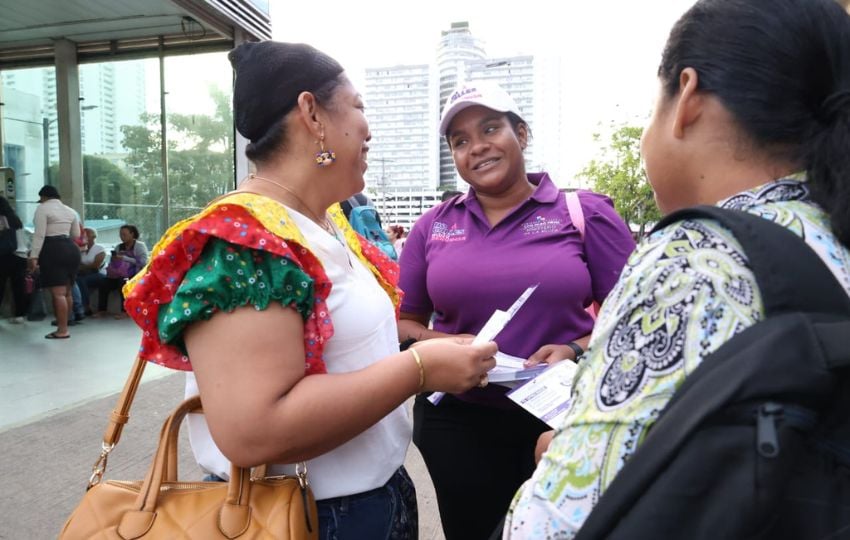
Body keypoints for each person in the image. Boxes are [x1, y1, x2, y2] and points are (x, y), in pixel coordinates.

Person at [121, 41, 497, 540]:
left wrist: (429, 349)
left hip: (373, 500)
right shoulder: (245, 241)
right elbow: (254, 429)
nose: (369, 127)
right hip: (308, 516)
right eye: (359, 106)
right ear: (311, 112)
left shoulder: (324, 224)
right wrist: (420, 369)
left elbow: (353, 353)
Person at [504, 0, 850, 537]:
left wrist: (569, 455)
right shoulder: (832, 230)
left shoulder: (696, 258)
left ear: (686, 96)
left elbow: (557, 520)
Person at [397, 80, 636, 539]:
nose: (477, 147)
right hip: (458, 421)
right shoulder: (434, 226)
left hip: (559, 416)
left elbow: (634, 317)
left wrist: (574, 348)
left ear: (521, 134)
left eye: (490, 128)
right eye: (460, 140)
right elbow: (406, 324)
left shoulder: (582, 212)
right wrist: (446, 344)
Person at [29, 185, 81, 339]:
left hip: (53, 249)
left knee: (58, 294)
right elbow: (76, 234)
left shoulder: (43, 209)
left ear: (44, 197)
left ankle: (62, 330)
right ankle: (65, 324)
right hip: (71, 250)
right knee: (67, 292)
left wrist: (33, 256)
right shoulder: (71, 211)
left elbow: (39, 235)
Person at [93, 224, 147, 319]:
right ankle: (102, 310)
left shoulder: (139, 246)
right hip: (119, 274)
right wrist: (115, 259)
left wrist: (125, 258)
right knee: (103, 283)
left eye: (124, 234)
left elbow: (143, 262)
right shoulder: (119, 247)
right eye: (121, 235)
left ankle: (125, 311)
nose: (122, 237)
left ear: (132, 234)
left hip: (134, 275)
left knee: (123, 283)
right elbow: (113, 263)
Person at [0, 195, 28, 323]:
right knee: (19, 287)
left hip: (6, 256)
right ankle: (20, 315)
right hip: (21, 256)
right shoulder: (17, 219)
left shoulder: (2, 219)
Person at [74, 227, 106, 316]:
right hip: (86, 274)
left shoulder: (99, 248)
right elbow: (77, 265)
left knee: (81, 280)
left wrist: (82, 268)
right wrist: (84, 268)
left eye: (87, 235)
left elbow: (96, 266)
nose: (84, 236)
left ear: (94, 237)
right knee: (75, 280)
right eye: (83, 235)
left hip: (100, 274)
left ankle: (86, 307)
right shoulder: (81, 249)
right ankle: (76, 308)